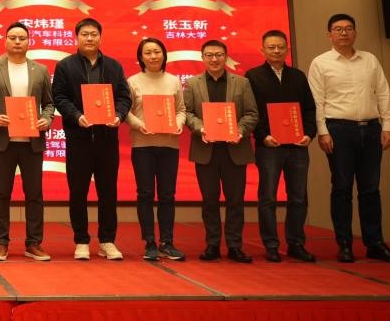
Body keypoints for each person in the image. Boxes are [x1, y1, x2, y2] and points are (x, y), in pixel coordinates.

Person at [308, 14, 390, 263]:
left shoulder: (370, 59)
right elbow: (316, 100)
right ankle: (345, 244)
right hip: (338, 130)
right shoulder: (320, 63)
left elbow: (383, 94)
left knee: (371, 189)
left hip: (371, 129)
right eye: (338, 29)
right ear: (329, 35)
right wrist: (323, 131)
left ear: (355, 33)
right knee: (342, 188)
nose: (344, 33)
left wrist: (388, 126)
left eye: (348, 29)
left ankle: (375, 243)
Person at [52, 18, 132, 261]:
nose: (89, 38)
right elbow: (59, 97)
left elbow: (124, 97)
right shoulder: (65, 66)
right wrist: (77, 116)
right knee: (78, 191)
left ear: (100, 37)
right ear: (76, 37)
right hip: (79, 138)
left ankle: (107, 240)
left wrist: (119, 115)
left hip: (107, 139)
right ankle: (81, 240)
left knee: (108, 191)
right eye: (85, 34)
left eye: (94, 34)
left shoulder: (114, 66)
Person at [0, 21, 55, 261]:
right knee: (1, 194)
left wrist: (46, 119)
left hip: (32, 141)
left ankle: (34, 243)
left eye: (22, 38)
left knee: (34, 194)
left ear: (29, 41)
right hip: (4, 141)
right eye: (12, 37)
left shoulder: (40, 70)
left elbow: (50, 103)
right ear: (5, 40)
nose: (17, 42)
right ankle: (1, 243)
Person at [245, 30, 316, 262]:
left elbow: (309, 109)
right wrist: (262, 136)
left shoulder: (298, 76)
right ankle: (271, 244)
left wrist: (309, 134)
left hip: (298, 145)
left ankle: (296, 243)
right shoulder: (253, 76)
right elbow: (251, 111)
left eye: (280, 47)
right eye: (271, 47)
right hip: (269, 147)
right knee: (268, 197)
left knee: (298, 197)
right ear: (262, 50)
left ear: (287, 49)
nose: (276, 51)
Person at [184, 39, 258, 263]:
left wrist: (240, 131)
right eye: (209, 55)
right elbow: (187, 113)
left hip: (234, 149)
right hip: (206, 149)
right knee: (209, 200)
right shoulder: (192, 83)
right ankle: (212, 244)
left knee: (235, 201)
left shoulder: (242, 83)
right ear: (202, 58)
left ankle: (235, 246)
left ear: (226, 57)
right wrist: (201, 128)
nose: (214, 59)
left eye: (218, 55)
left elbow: (251, 113)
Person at [124, 37, 187, 261]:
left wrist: (178, 124)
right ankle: (149, 242)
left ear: (164, 55)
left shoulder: (173, 81)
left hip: (169, 144)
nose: (153, 56)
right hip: (143, 144)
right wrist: (139, 124)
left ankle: (167, 242)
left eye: (157, 52)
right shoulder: (132, 81)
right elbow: (126, 111)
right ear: (141, 57)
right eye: (148, 53)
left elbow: (181, 110)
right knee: (145, 193)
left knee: (168, 194)